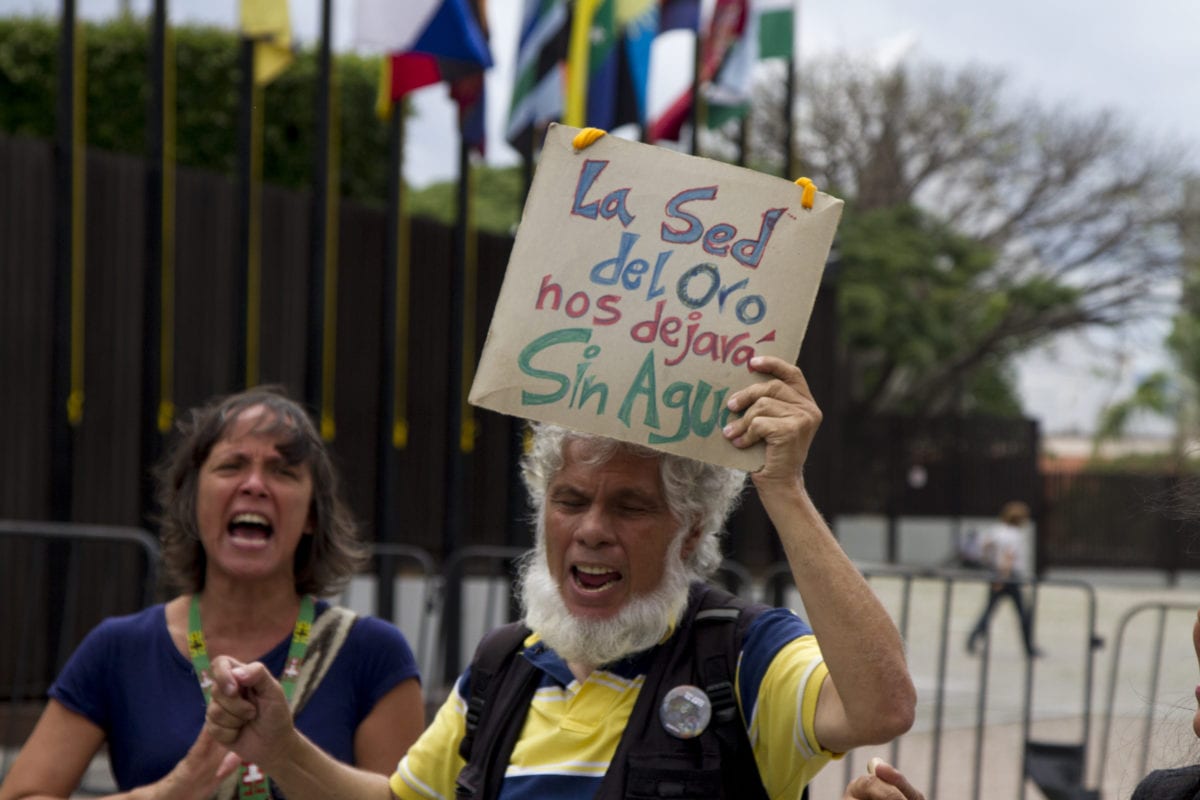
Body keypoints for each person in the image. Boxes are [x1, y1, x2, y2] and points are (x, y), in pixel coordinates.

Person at [202, 356, 916, 799]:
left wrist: (784, 488)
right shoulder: (502, 668)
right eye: (569, 500)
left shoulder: (744, 658)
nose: (591, 528)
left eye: (630, 506)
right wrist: (279, 746)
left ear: (692, 532)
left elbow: (881, 707)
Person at [0, 386, 424, 800]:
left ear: (312, 515)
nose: (255, 484)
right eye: (231, 465)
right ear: (192, 500)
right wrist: (167, 793)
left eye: (283, 471)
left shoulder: (373, 654)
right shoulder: (119, 648)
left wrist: (284, 753)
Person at [965, 500, 1042, 658]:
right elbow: (1009, 557)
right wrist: (1003, 577)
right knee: (1021, 613)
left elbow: (985, 544)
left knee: (989, 609)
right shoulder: (1014, 535)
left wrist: (988, 560)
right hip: (1009, 576)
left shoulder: (997, 530)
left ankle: (973, 639)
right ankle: (1029, 648)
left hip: (996, 573)